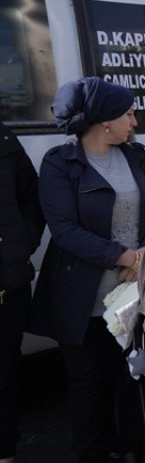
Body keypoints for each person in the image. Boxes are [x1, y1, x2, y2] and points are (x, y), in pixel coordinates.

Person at [30, 78, 145, 462]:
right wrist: (124, 257)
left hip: (134, 294)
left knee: (132, 378)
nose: (135, 122)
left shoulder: (137, 154)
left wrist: (144, 254)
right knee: (89, 383)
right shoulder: (60, 163)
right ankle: (92, 453)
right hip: (84, 297)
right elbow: (64, 231)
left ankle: (134, 450)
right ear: (105, 120)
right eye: (128, 114)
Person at [0, 122, 44, 463]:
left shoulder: (3, 137)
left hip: (6, 286)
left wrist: (22, 244)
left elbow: (32, 195)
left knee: (4, 378)